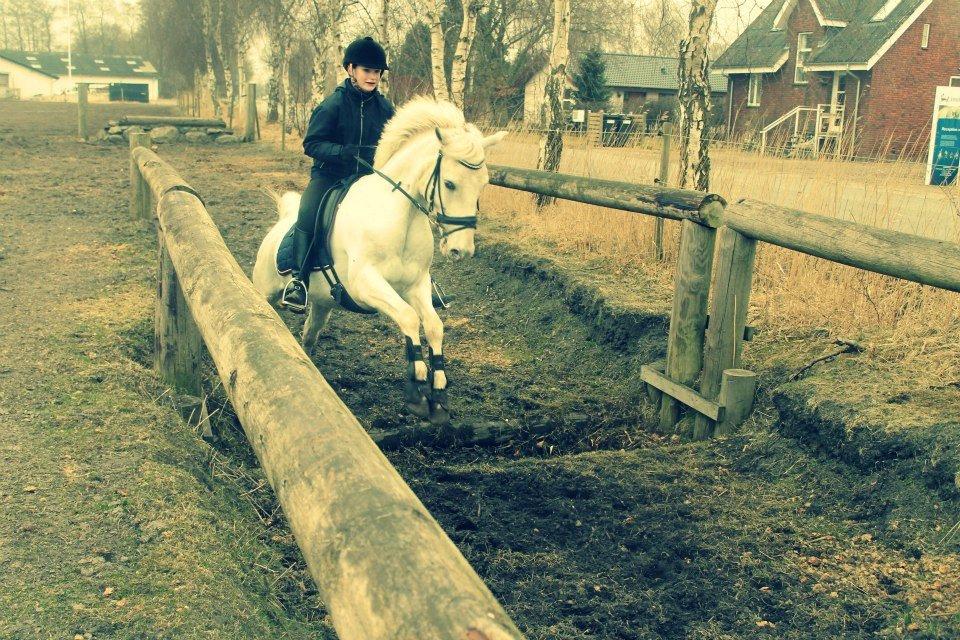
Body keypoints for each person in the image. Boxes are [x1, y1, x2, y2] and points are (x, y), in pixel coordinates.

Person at [281, 36, 454, 313]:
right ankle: (298, 282)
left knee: (410, 212)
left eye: (376, 72)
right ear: (351, 69)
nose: (372, 77)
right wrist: (342, 152)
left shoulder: (385, 108)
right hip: (330, 177)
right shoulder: (331, 106)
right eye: (366, 70)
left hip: (370, 179)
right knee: (309, 212)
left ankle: (422, 280)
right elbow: (311, 144)